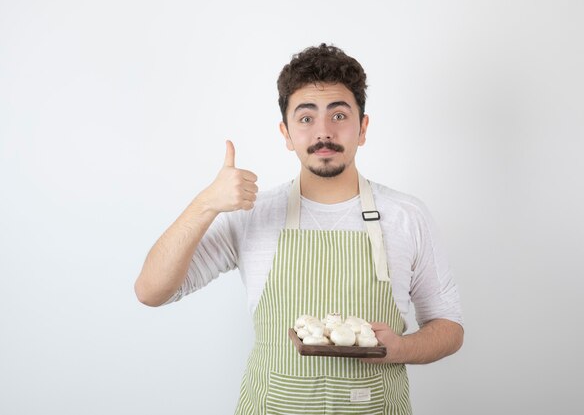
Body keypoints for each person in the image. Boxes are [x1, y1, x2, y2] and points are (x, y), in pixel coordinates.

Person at [135, 43, 464, 414]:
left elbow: (449, 327)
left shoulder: (406, 215)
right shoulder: (250, 214)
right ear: (286, 133)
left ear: (363, 128)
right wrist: (206, 203)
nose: (323, 132)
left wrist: (401, 349)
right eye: (306, 118)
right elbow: (151, 291)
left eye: (339, 115)